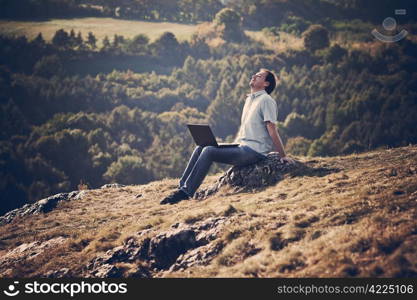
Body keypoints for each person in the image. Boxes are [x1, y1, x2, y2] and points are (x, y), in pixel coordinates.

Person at [160, 68, 295, 205]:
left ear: (266, 84)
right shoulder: (250, 100)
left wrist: (282, 155)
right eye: (255, 74)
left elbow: (272, 129)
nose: (254, 76)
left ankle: (186, 193)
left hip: (254, 151)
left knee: (209, 151)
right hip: (242, 146)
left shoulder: (267, 100)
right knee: (202, 146)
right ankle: (182, 187)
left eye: (259, 76)